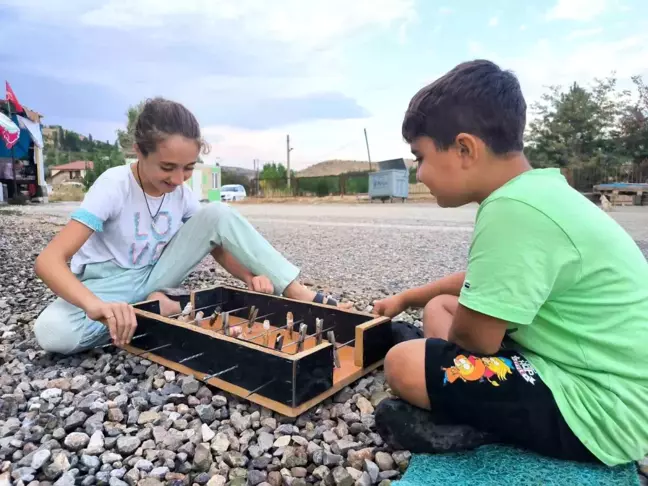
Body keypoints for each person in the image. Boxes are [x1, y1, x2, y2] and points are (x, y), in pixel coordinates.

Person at [372, 60, 648, 467]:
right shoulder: (539, 192)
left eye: (421, 157)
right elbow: (490, 281)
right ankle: (473, 403)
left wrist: (435, 349)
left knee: (403, 364)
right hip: (584, 367)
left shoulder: (511, 209)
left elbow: (476, 340)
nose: (420, 173)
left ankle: (481, 424)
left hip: (601, 407)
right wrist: (409, 298)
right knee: (437, 308)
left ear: (465, 148)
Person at [33, 97, 346, 355]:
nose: (177, 179)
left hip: (154, 273)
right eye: (167, 167)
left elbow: (215, 235)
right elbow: (48, 261)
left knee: (218, 213)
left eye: (188, 168)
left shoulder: (181, 194)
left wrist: (249, 275)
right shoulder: (114, 185)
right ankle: (155, 310)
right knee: (53, 333)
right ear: (139, 151)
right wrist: (95, 305)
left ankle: (297, 292)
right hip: (108, 283)